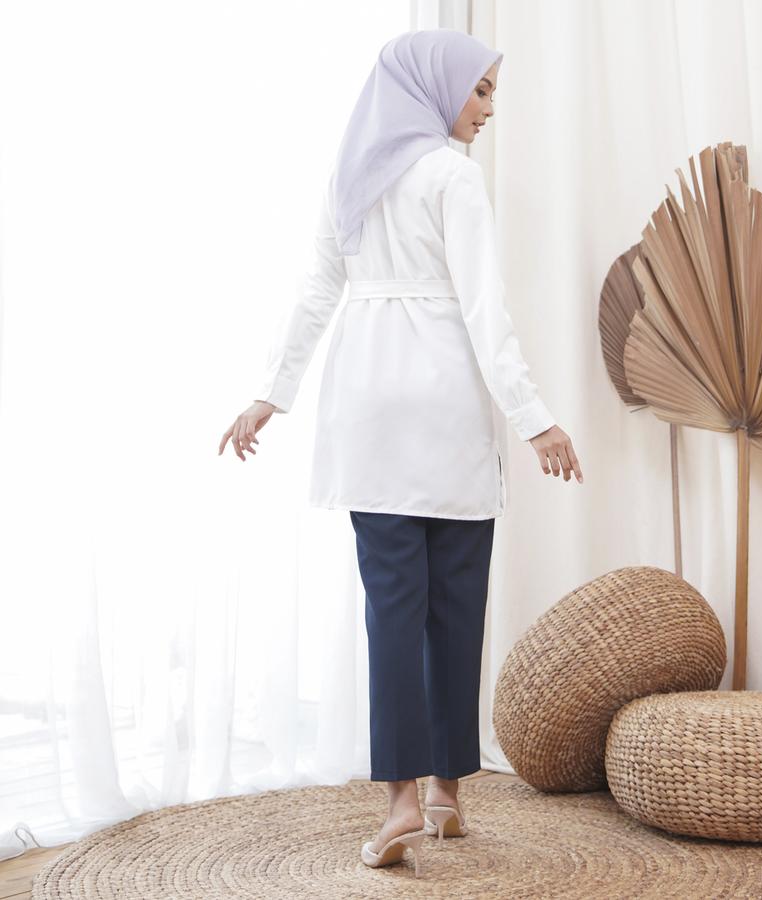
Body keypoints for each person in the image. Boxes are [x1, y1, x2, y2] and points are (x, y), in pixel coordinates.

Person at [219, 28, 582, 876]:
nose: (488, 109)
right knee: (456, 603)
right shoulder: (453, 177)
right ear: (434, 87)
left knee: (392, 610)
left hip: (369, 408)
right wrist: (535, 419)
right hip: (446, 403)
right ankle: (448, 788)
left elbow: (317, 291)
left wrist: (271, 393)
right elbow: (485, 310)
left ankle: (404, 803)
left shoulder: (350, 174)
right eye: (480, 90)